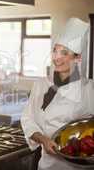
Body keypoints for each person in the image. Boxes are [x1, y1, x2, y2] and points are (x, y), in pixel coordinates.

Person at [21, 17, 94, 170]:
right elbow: (28, 119)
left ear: (78, 57)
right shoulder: (41, 85)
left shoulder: (89, 89)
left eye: (64, 53)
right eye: (55, 50)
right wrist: (43, 139)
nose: (57, 58)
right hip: (47, 165)